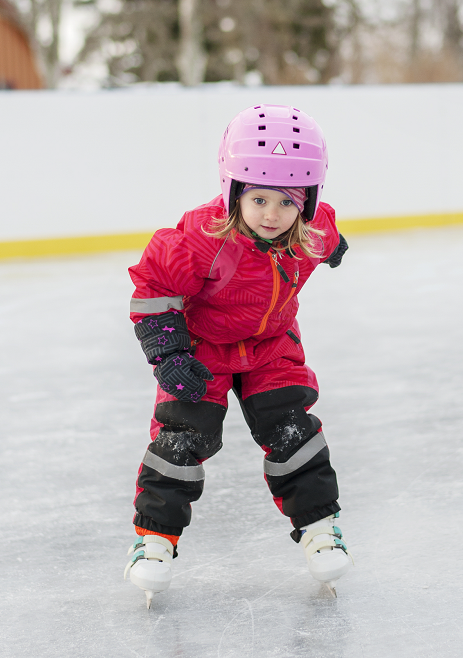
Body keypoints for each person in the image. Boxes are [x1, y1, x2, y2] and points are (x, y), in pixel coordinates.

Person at [124, 104, 352, 608]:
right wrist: (167, 351)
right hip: (203, 350)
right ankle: (155, 539)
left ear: (308, 202)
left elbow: (328, 234)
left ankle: (319, 528)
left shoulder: (311, 233)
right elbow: (155, 285)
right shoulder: (201, 236)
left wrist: (335, 248)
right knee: (184, 435)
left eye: (288, 203)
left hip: (271, 347)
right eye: (259, 199)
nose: (272, 215)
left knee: (292, 427)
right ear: (232, 192)